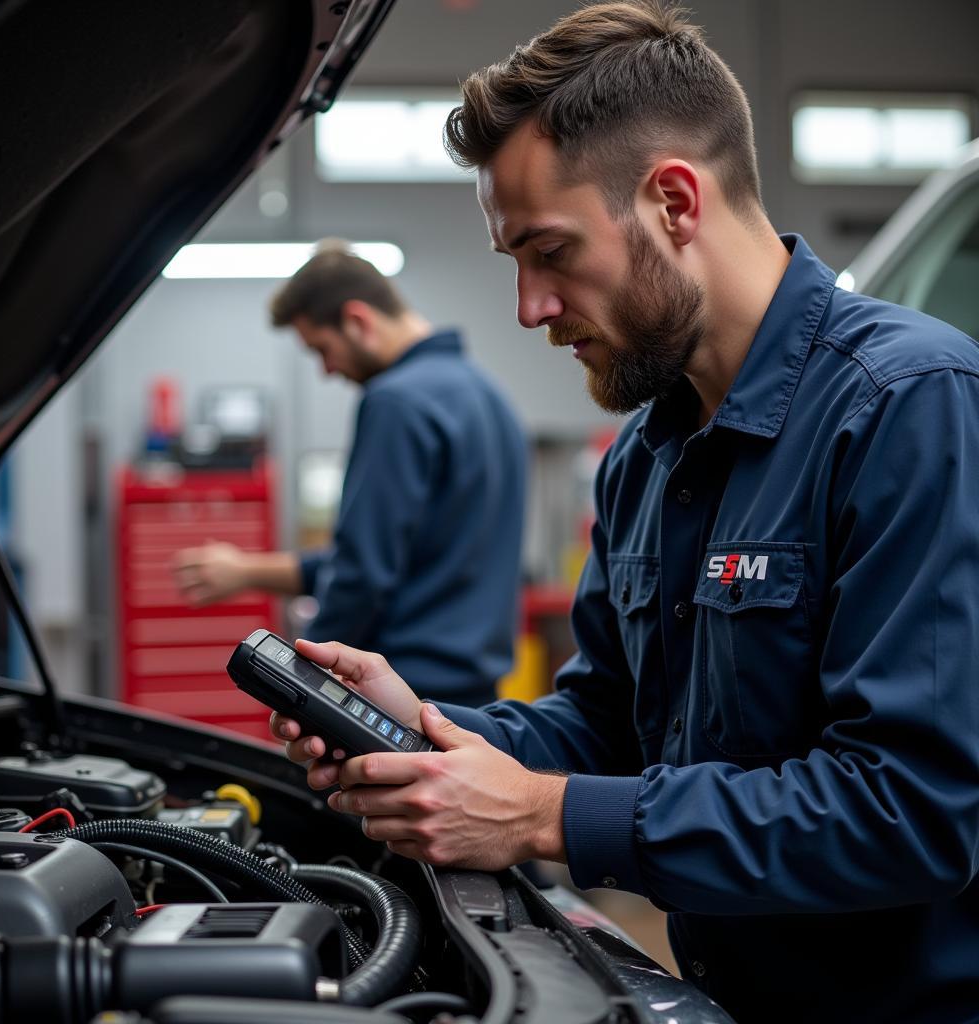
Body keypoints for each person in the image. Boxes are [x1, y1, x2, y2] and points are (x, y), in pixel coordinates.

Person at [268, 5, 979, 1023]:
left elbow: (912, 811)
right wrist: (422, 729)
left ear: (673, 202)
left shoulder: (908, 407)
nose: (529, 306)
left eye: (548, 251)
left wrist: (547, 817)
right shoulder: (648, 453)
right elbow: (608, 723)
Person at [173, 244, 527, 707]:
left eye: (323, 349)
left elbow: (362, 570)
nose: (327, 370)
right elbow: (400, 557)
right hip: (475, 696)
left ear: (358, 320)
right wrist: (246, 570)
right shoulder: (486, 394)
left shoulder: (397, 400)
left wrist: (301, 677)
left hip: (403, 692)